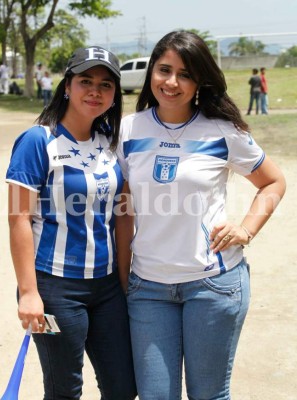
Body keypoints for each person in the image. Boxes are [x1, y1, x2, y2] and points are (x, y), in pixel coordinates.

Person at [116, 30, 286, 400]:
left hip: (214, 285)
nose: (172, 82)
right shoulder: (129, 129)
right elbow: (123, 209)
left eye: (185, 74)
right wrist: (124, 276)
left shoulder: (223, 131)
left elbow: (273, 183)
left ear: (200, 82)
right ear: (151, 74)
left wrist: (246, 228)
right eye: (164, 70)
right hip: (149, 289)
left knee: (207, 395)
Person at [6, 46, 136, 400]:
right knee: (65, 390)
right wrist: (29, 292)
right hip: (55, 289)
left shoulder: (111, 145)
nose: (95, 91)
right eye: (85, 81)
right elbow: (18, 218)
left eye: (105, 85)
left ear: (114, 95)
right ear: (67, 86)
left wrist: (125, 282)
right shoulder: (38, 141)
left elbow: (123, 216)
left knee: (124, 387)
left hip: (107, 287)